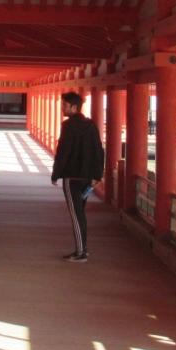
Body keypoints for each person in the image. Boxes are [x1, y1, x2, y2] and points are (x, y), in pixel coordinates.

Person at [51, 91, 105, 263]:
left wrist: (56, 173)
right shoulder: (91, 125)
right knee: (80, 213)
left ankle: (81, 252)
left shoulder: (68, 126)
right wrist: (98, 174)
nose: (62, 108)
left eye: (65, 105)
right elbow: (99, 150)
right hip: (87, 177)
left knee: (76, 215)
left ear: (74, 107)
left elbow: (63, 152)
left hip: (72, 176)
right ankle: (83, 249)